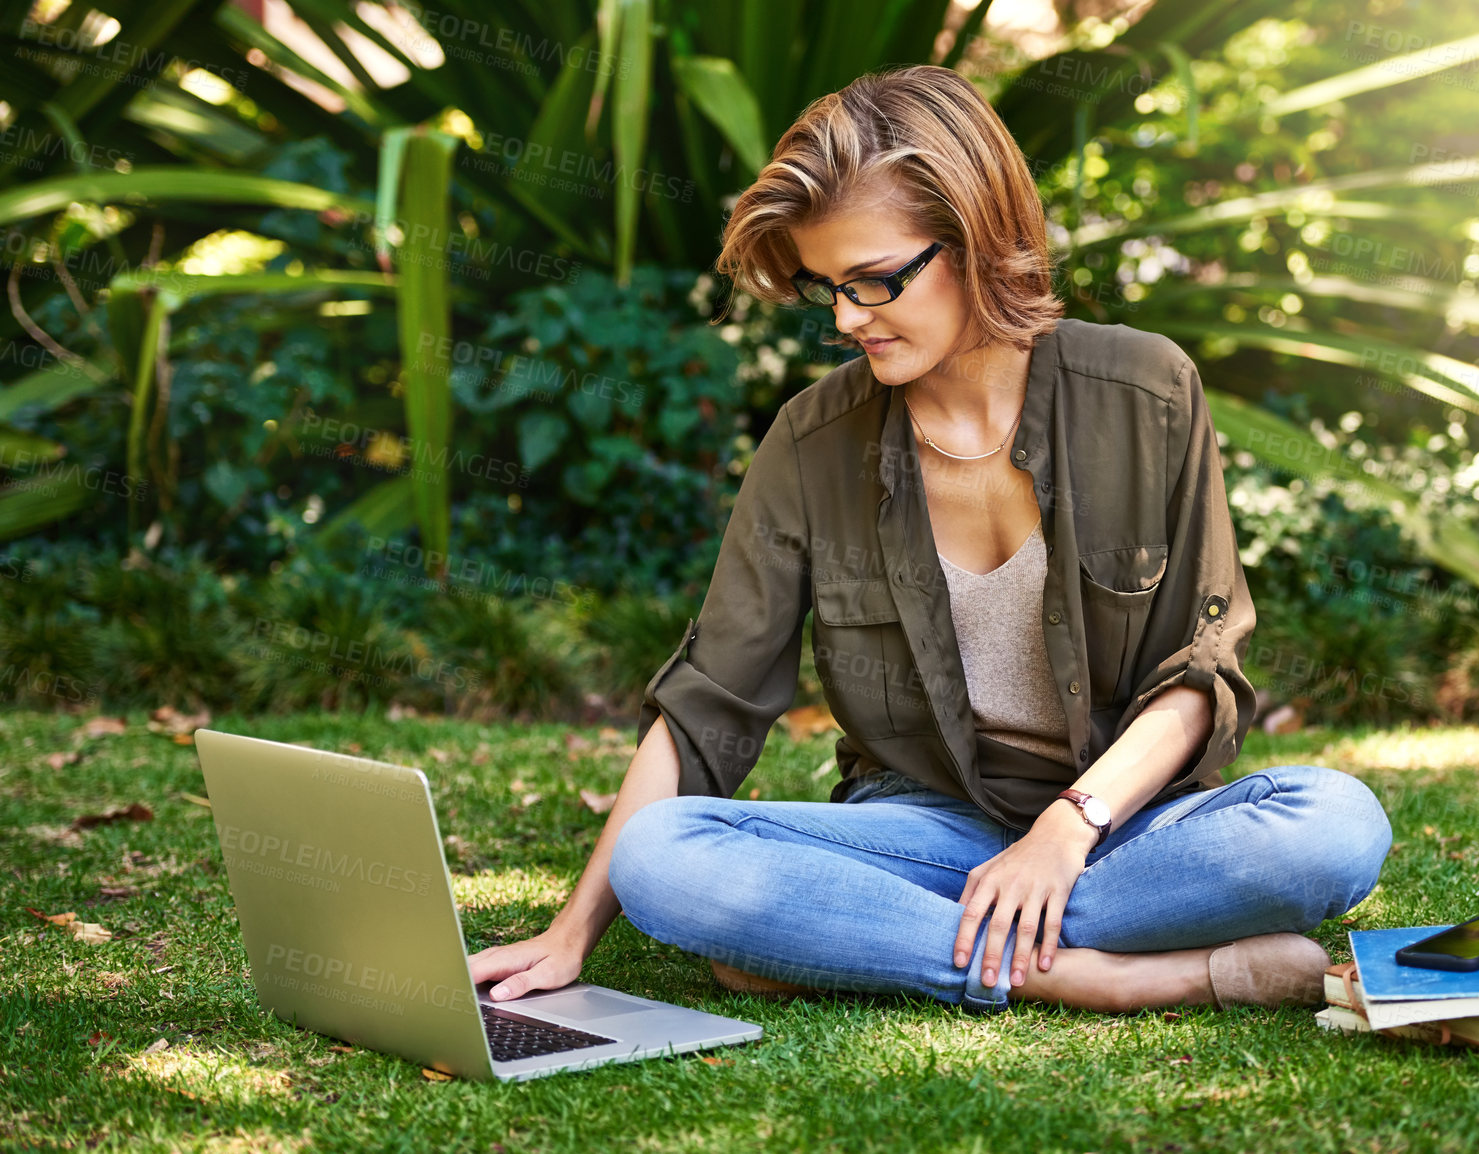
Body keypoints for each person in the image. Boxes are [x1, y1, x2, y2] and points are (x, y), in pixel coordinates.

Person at [468, 64, 1392, 1015]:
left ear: (978, 240)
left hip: (1121, 824)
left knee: (1333, 826)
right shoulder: (810, 442)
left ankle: (857, 938)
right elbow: (712, 704)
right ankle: (1097, 978)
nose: (845, 318)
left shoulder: (1146, 392)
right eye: (824, 287)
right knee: (664, 858)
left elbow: (1200, 678)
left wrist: (1062, 832)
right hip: (920, 834)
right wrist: (570, 931)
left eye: (875, 281)